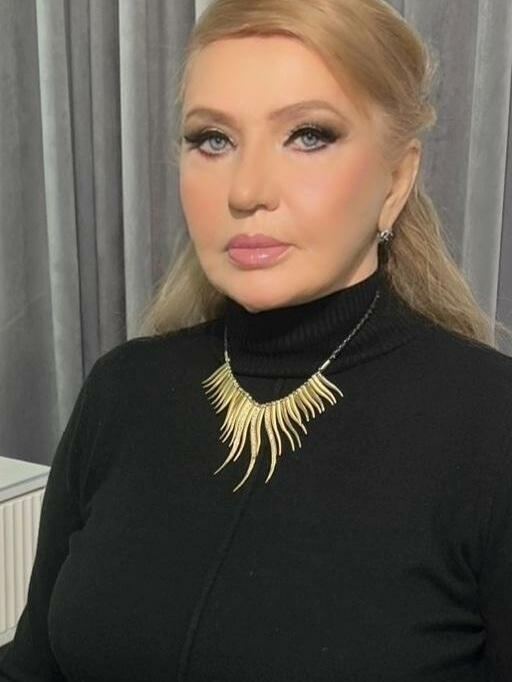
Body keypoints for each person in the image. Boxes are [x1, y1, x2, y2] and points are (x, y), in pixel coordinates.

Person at [2, 0, 512, 680]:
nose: (246, 191)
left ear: (396, 179)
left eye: (308, 135)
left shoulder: (491, 425)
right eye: (213, 139)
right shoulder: (122, 391)